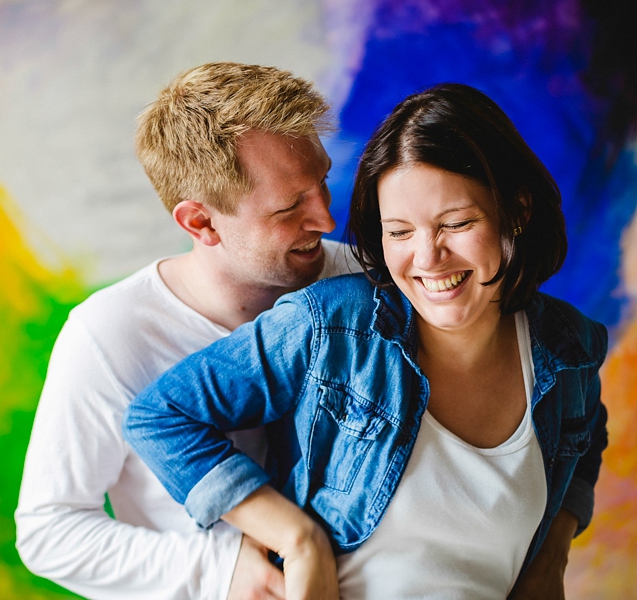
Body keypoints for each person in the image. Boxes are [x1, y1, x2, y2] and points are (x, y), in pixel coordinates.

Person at [124, 83, 608, 600]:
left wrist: (551, 557)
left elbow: (586, 439)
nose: (427, 258)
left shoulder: (569, 348)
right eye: (399, 232)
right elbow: (161, 416)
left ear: (517, 210)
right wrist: (297, 538)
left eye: (457, 223)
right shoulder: (331, 327)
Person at [15, 62, 359, 599]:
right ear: (199, 222)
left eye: (320, 183)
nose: (326, 220)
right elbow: (49, 531)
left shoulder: (364, 280)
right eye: (290, 207)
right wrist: (217, 568)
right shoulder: (109, 334)